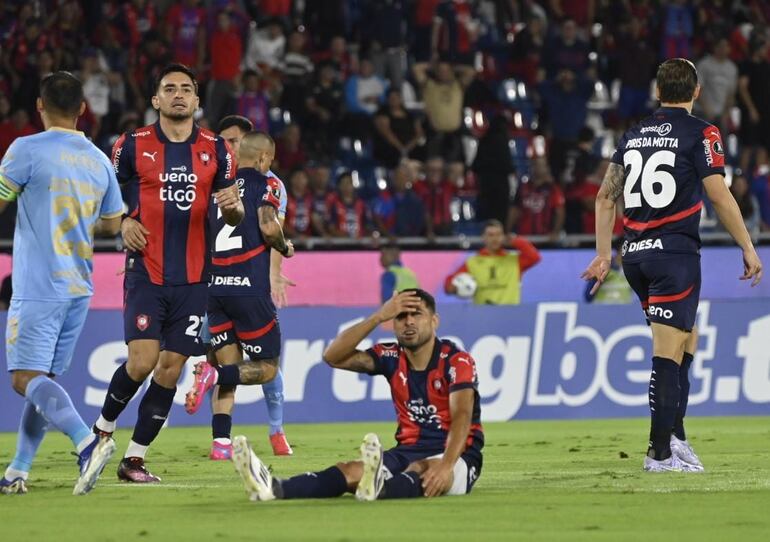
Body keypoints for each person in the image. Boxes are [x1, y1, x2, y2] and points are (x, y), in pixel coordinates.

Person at [582, 58, 763, 473]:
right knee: (667, 351)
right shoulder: (702, 132)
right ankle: (659, 452)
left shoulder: (632, 135)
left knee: (687, 339)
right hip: (673, 257)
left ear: (658, 91)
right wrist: (747, 245)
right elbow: (718, 194)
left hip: (636, 256)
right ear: (697, 91)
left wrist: (604, 254)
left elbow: (605, 198)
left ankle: (676, 436)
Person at [92, 64, 244, 483]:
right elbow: (101, 200)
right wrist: (123, 222)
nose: (178, 94)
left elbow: (233, 211)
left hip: (195, 278)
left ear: (196, 100)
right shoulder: (130, 145)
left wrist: (234, 209)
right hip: (146, 270)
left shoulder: (218, 149)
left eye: (186, 89)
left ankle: (134, 460)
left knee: (171, 368)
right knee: (142, 362)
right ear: (156, 99)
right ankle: (102, 430)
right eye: (170, 88)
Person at [230, 289, 484, 502]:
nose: (408, 322)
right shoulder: (391, 357)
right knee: (350, 470)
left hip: (459, 455)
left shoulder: (456, 361)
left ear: (434, 321)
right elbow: (332, 356)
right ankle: (273, 488)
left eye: (416, 314)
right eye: (400, 316)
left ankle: (379, 488)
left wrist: (447, 465)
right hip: (408, 450)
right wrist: (377, 317)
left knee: (424, 469)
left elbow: (462, 416)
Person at [0, 72, 123, 495]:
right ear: (82, 109)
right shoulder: (99, 160)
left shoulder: (26, 150)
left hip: (39, 284)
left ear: (40, 105)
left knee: (24, 379)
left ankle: (88, 443)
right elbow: (112, 224)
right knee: (42, 380)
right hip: (78, 286)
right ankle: (17, 471)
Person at [185, 131, 295, 458]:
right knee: (268, 367)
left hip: (215, 289)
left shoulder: (216, 186)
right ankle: (212, 375)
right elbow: (269, 226)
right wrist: (284, 247)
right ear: (263, 158)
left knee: (229, 366)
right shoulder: (269, 183)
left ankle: (221, 444)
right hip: (249, 289)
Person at [445, 219, 541, 305]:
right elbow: (450, 283)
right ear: (483, 237)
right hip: (483, 315)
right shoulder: (473, 262)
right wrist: (453, 288)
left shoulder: (514, 260)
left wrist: (515, 241)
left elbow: (535, 257)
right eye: (491, 235)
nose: (495, 239)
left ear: (503, 236)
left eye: (498, 235)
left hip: (510, 314)